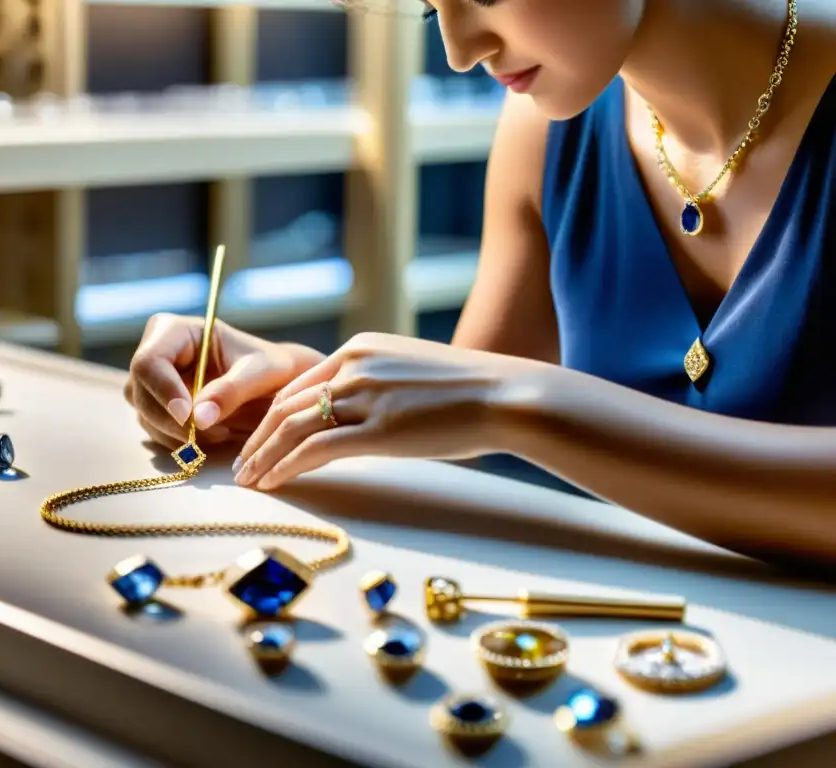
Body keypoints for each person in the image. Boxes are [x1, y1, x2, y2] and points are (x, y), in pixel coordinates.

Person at [125, 0, 836, 569]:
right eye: (435, 10)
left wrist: (519, 404)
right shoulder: (544, 128)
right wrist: (290, 390)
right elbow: (461, 409)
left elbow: (499, 397)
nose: (461, 51)